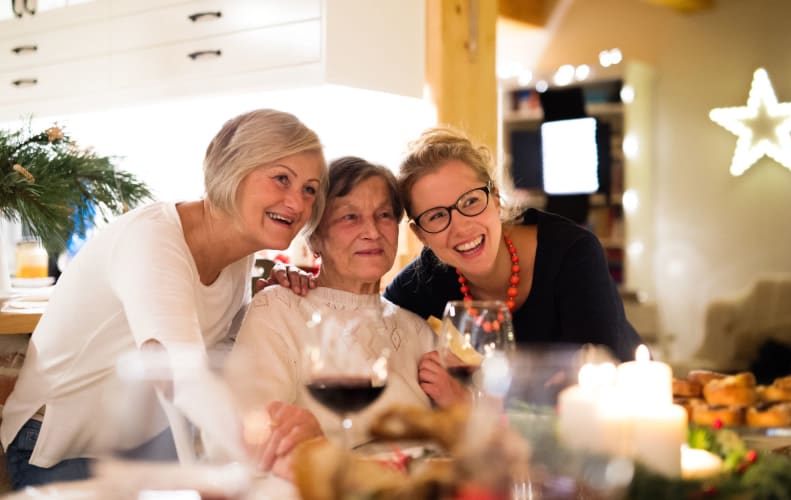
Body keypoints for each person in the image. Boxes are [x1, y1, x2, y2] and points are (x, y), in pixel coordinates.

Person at [0, 109, 327, 489]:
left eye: (309, 189)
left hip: (140, 446)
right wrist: (263, 450)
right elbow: (179, 375)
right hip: (55, 447)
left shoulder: (239, 250)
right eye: (281, 178)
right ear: (232, 169)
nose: (298, 203)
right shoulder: (152, 240)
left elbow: (217, 352)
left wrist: (269, 295)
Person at [271, 127, 641, 366]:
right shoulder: (428, 278)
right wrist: (301, 281)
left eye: (470, 202)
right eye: (436, 216)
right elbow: (367, 307)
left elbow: (600, 371)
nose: (460, 227)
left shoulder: (572, 251)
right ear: (420, 233)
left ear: (496, 198)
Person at [225, 157, 442, 476]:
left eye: (383, 215)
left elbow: (457, 434)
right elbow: (250, 429)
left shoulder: (416, 329)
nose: (372, 232)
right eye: (350, 217)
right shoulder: (280, 308)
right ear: (314, 236)